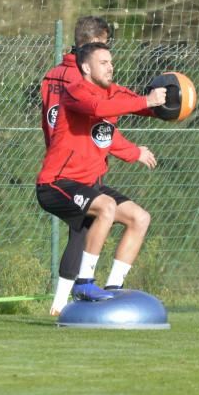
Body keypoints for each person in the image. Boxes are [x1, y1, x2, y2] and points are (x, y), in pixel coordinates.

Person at [36, 42, 166, 303]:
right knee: (106, 207)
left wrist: (171, 103)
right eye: (103, 63)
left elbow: (140, 108)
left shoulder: (112, 93)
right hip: (56, 184)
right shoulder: (75, 92)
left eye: (111, 62)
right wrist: (146, 100)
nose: (111, 67)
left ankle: (113, 288)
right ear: (86, 67)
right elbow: (98, 109)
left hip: (86, 186)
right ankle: (84, 282)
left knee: (139, 218)